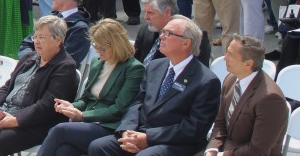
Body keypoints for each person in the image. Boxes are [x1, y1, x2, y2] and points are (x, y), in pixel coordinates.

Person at [88, 15, 221, 156]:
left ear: (186, 43)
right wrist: (127, 130)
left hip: (175, 143)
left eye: (168, 33)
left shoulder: (206, 81)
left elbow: (194, 128)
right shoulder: (155, 66)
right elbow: (137, 102)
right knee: (99, 147)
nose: (161, 36)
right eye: (163, 32)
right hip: (141, 133)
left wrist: (148, 138)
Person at [0, 16, 79, 156]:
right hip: (5, 112)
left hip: (36, 124)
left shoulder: (65, 66)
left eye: (42, 38)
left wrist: (17, 120)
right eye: (35, 37)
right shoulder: (29, 58)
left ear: (58, 40)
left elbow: (47, 105)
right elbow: (7, 86)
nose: (36, 41)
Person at [34, 19, 145, 156]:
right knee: (64, 151)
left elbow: (118, 109)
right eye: (95, 46)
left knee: (59, 130)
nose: (97, 51)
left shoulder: (133, 68)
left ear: (116, 45)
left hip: (109, 125)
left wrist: (83, 116)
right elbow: (86, 99)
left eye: (102, 48)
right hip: (89, 123)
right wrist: (72, 106)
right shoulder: (97, 63)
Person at [205, 34, 289, 156]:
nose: (225, 58)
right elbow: (220, 123)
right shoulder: (231, 80)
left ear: (248, 64)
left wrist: (221, 155)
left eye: (230, 55)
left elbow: (258, 150)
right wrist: (212, 150)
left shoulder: (270, 99)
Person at [15, 0, 91, 65]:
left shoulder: (80, 29)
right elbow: (26, 44)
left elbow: (65, 62)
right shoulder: (52, 18)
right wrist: (30, 61)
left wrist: (32, 61)